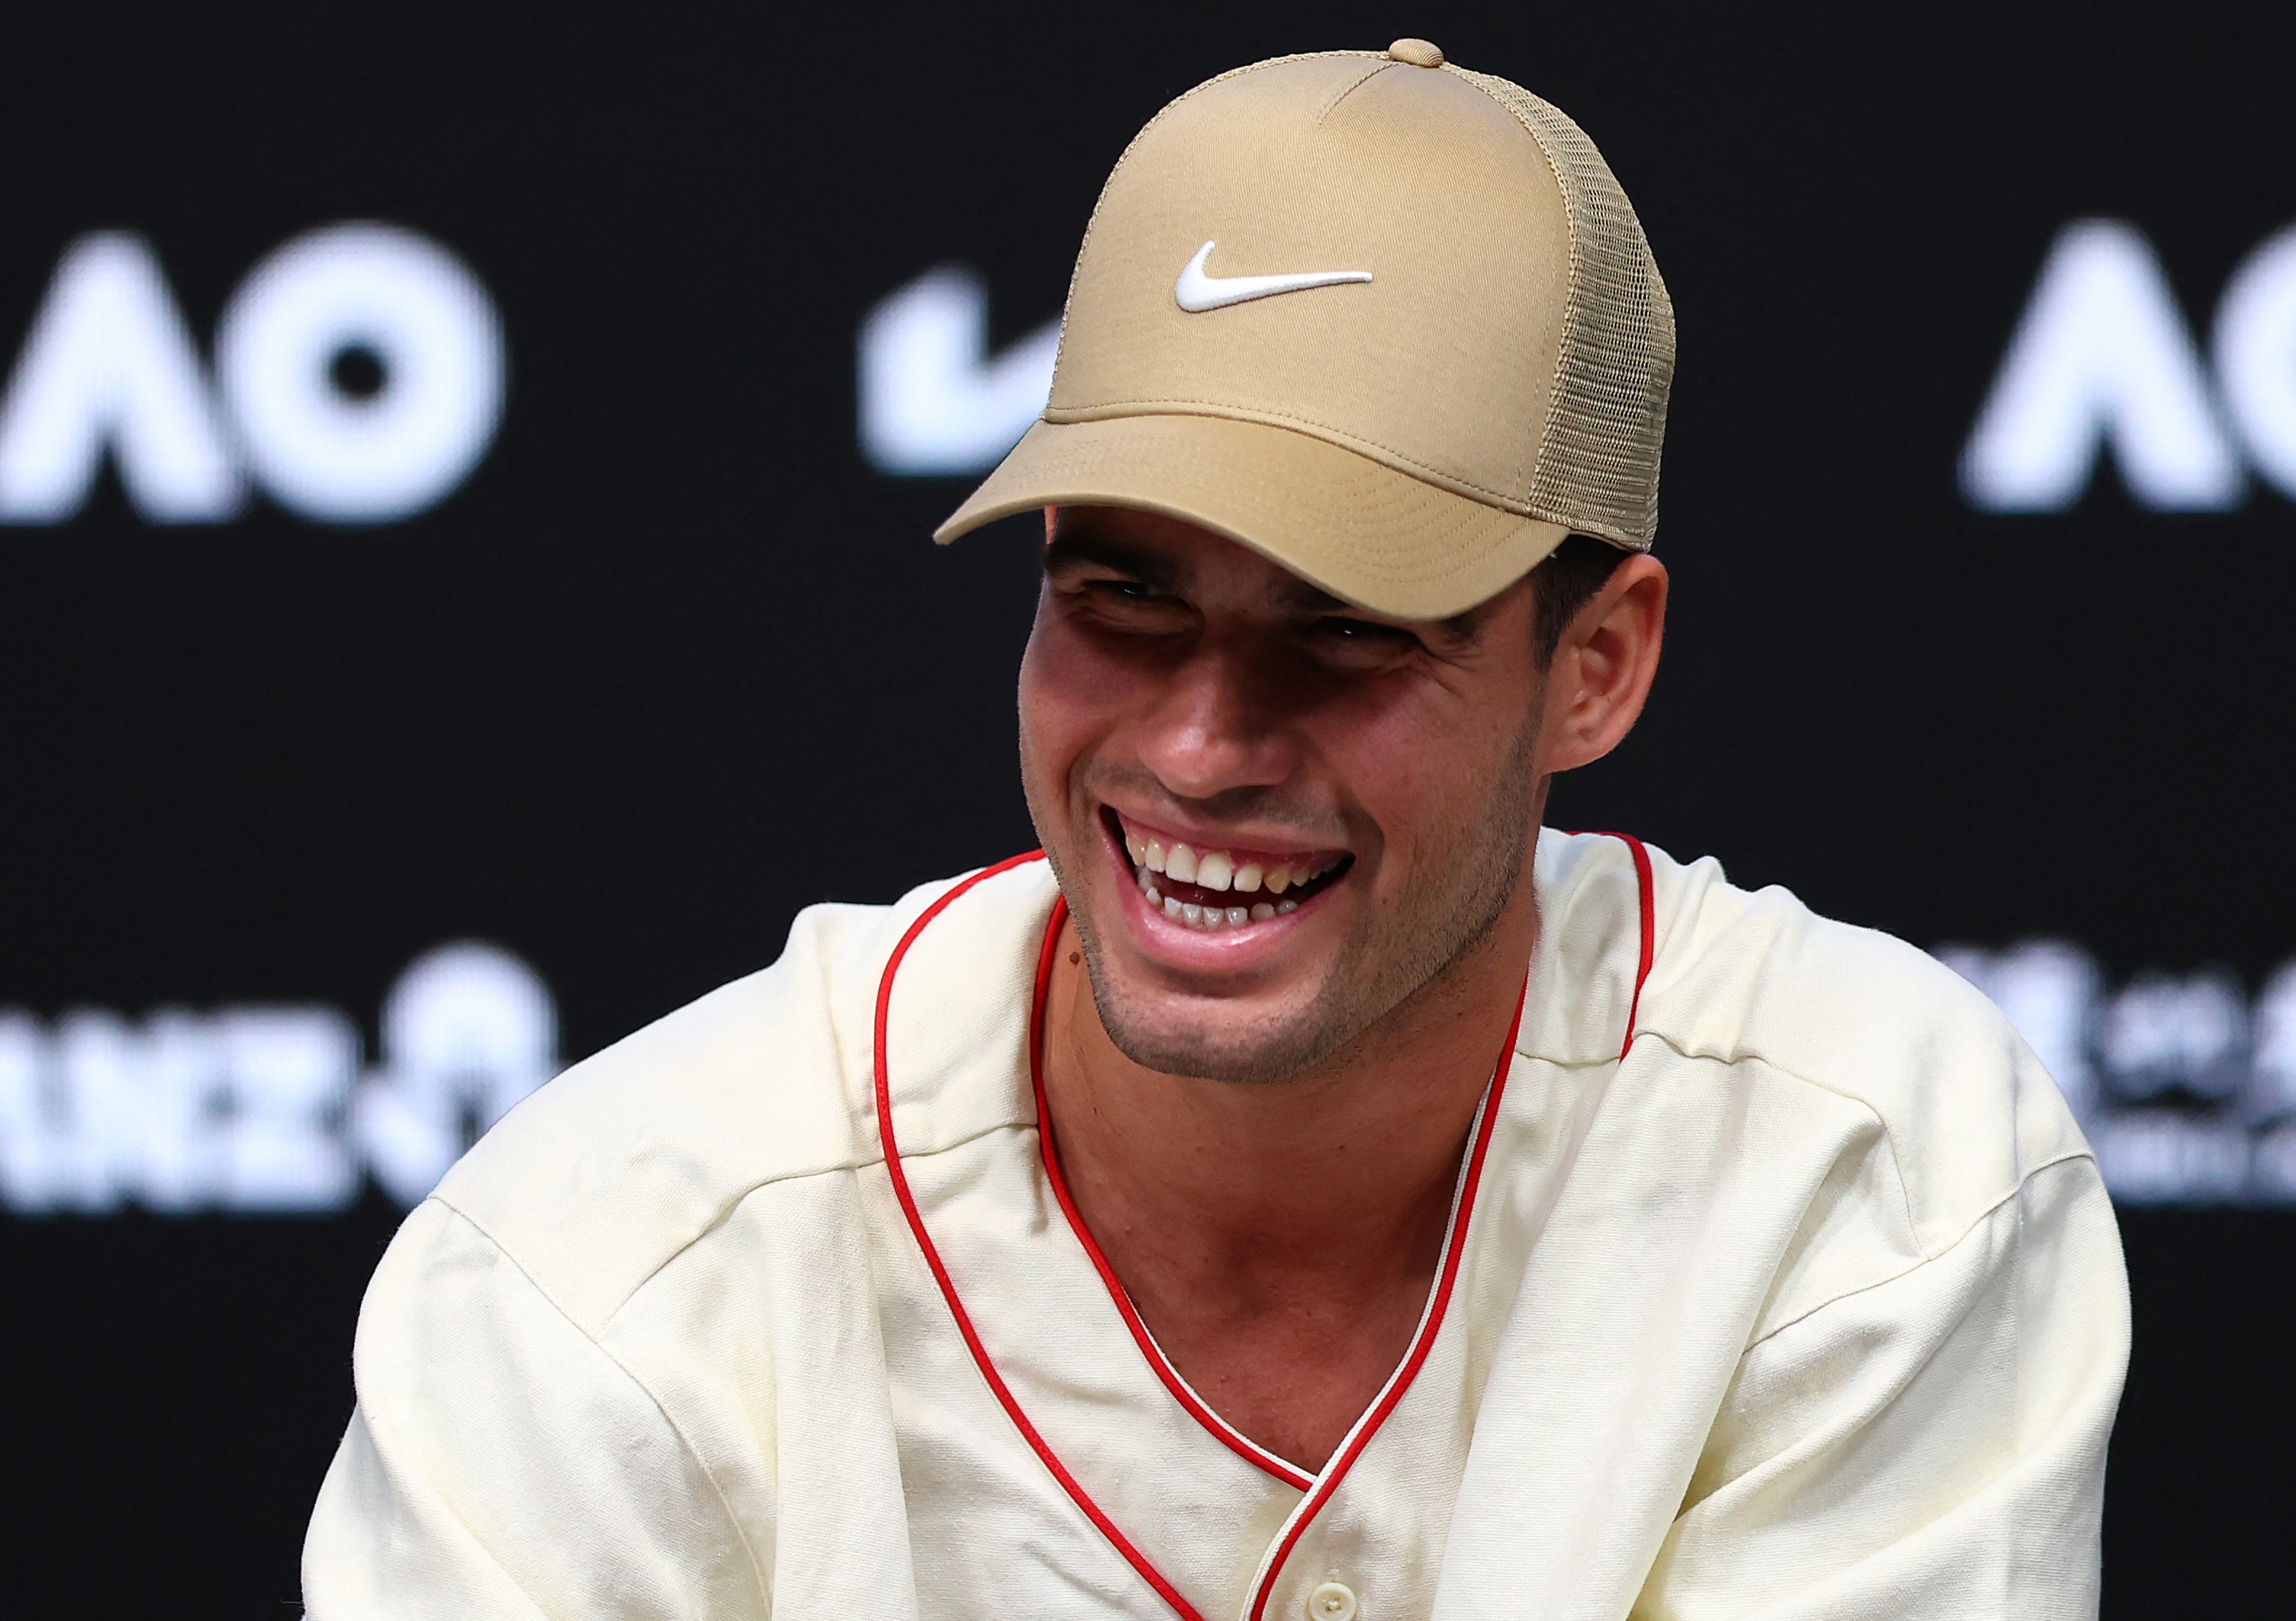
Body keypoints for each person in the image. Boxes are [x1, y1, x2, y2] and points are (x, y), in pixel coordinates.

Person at [303, 41, 2128, 1621]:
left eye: (1350, 626)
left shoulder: (1859, 1168)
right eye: (1124, 595)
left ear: (1596, 665)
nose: (1196, 745)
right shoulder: (609, 1269)